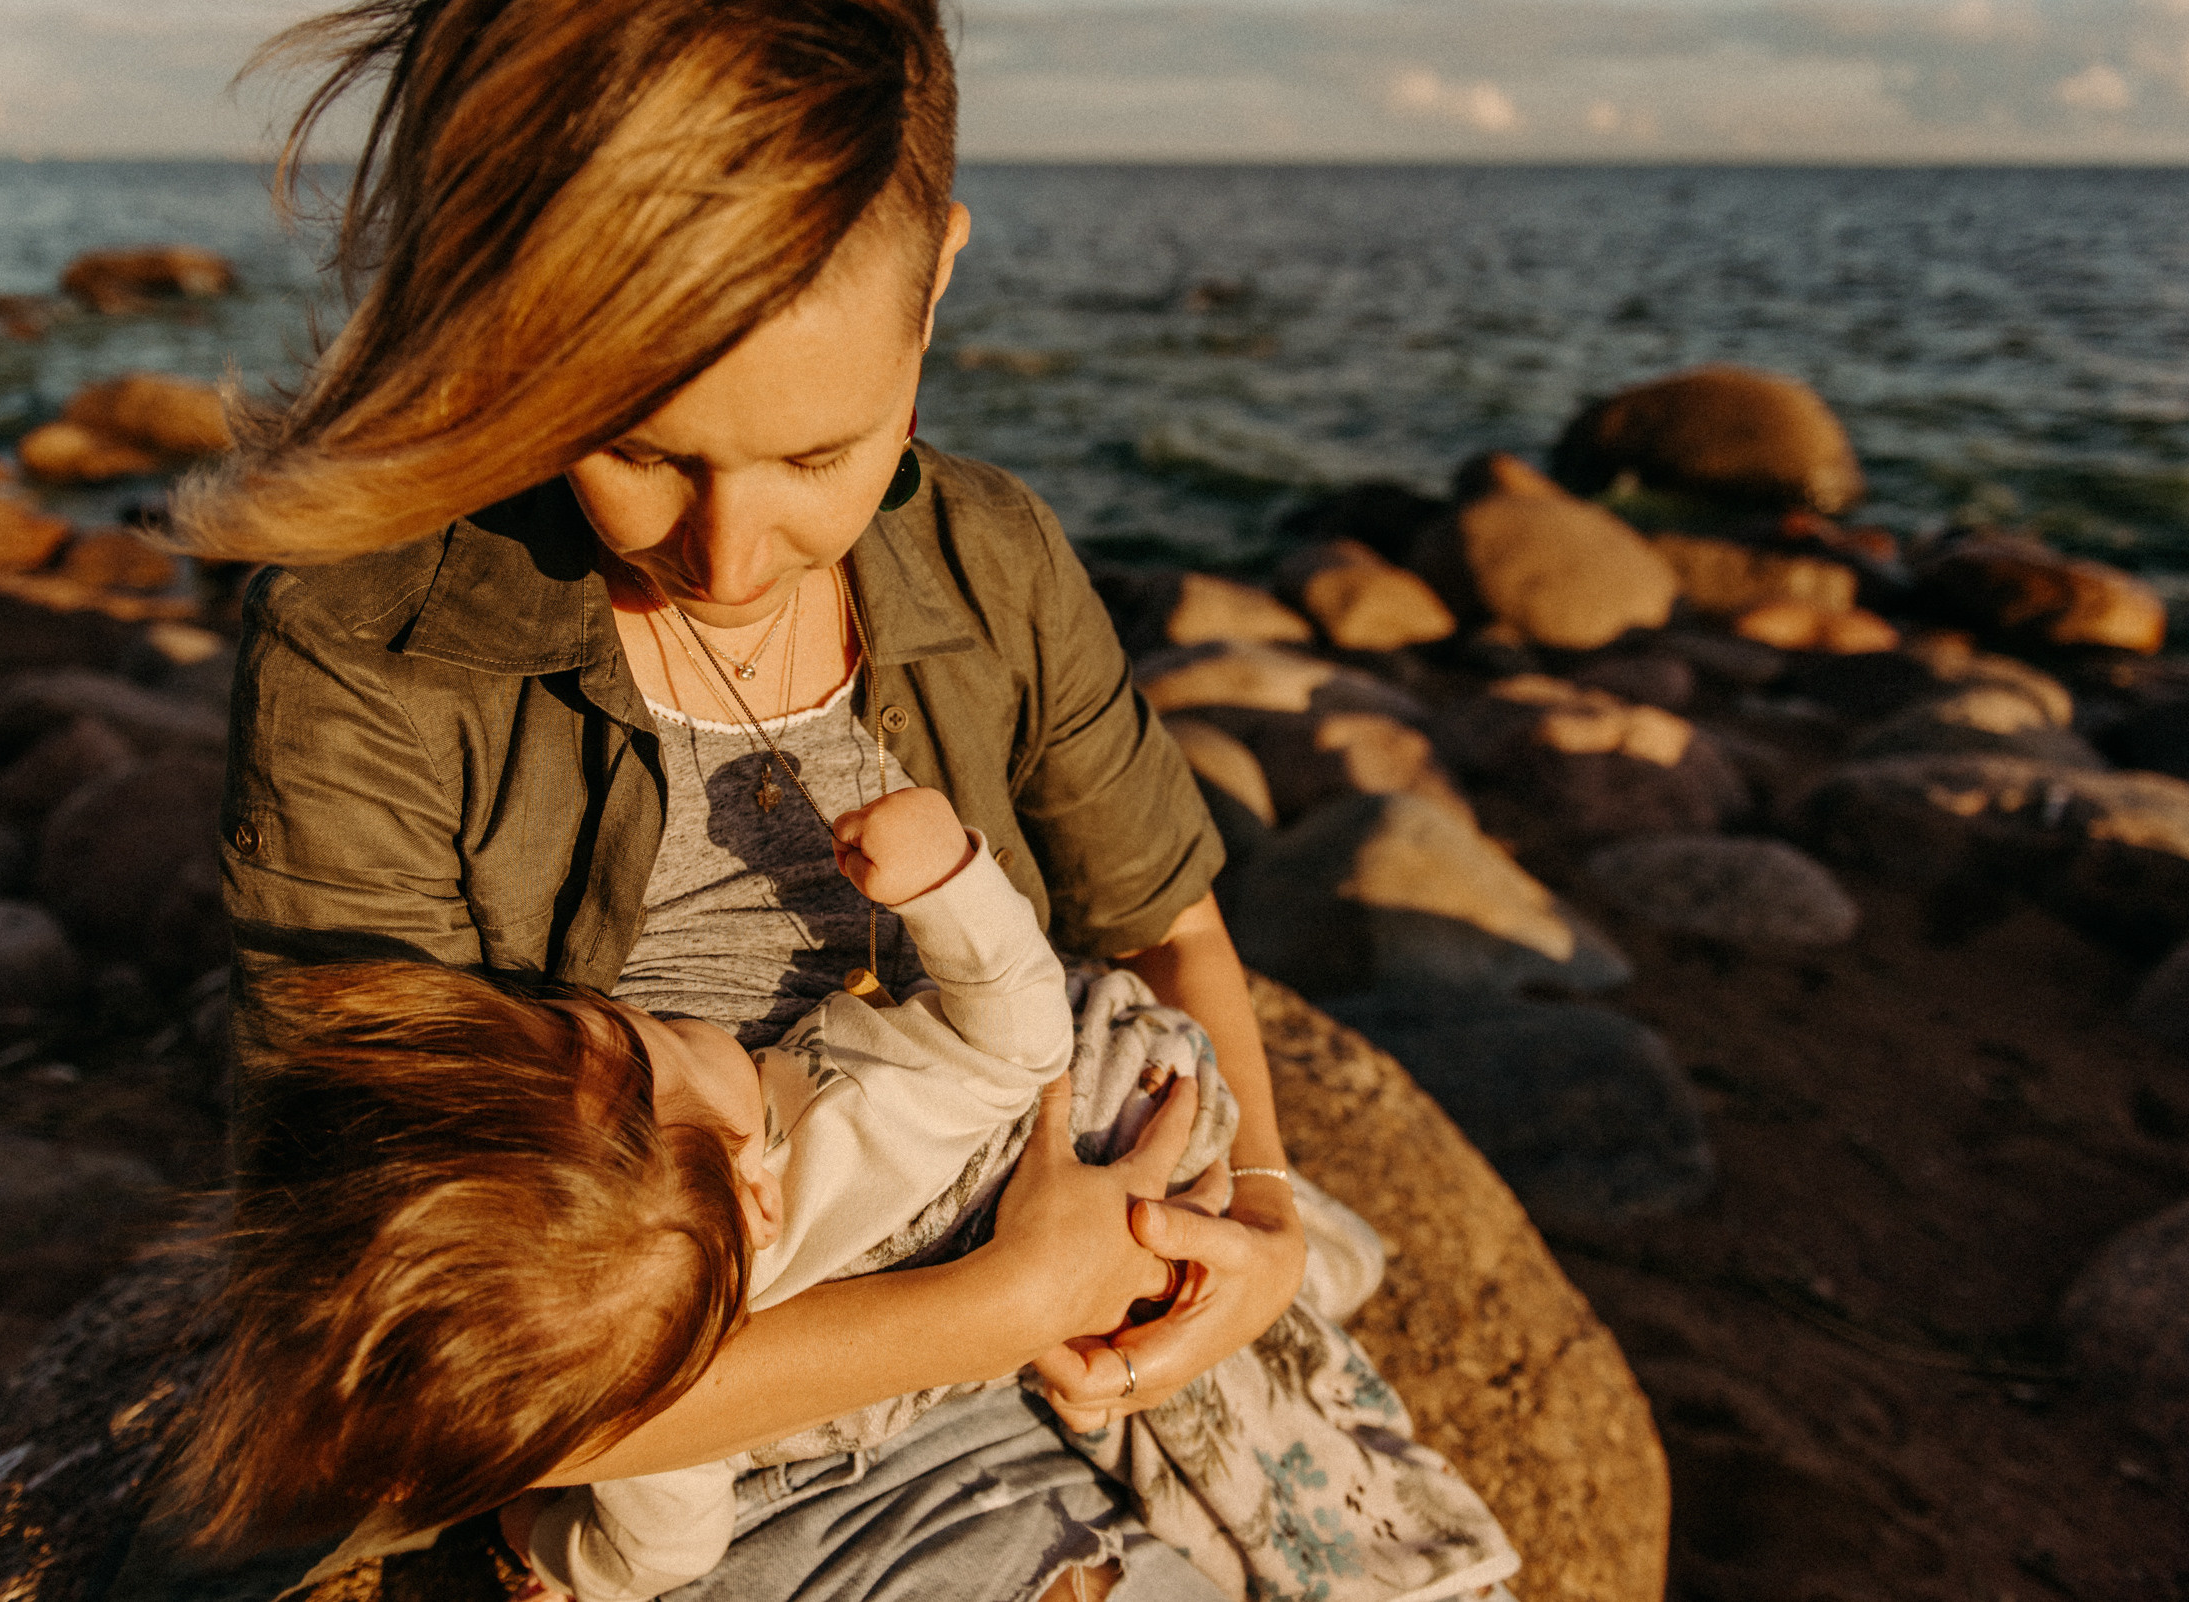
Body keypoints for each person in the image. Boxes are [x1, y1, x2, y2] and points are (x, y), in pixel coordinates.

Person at [180, 1, 1504, 1596]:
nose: (728, 554)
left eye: (817, 456)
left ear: (936, 282)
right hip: (703, 1431)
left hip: (1049, 1284)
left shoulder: (993, 560)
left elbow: (1174, 926)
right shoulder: (365, 649)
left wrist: (1267, 1223)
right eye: (639, 448)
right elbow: (394, 1345)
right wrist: (1003, 1303)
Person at [181, 786, 1513, 1602]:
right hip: (1091, 1168)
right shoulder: (864, 1119)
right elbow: (1020, 1030)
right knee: (1150, 1146)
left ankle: (1295, 1241)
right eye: (652, 1046)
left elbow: (658, 1552)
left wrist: (542, 1536)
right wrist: (950, 883)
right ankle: (1299, 1243)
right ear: (757, 1199)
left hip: (1008, 1333)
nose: (623, 1010)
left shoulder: (647, 1338)